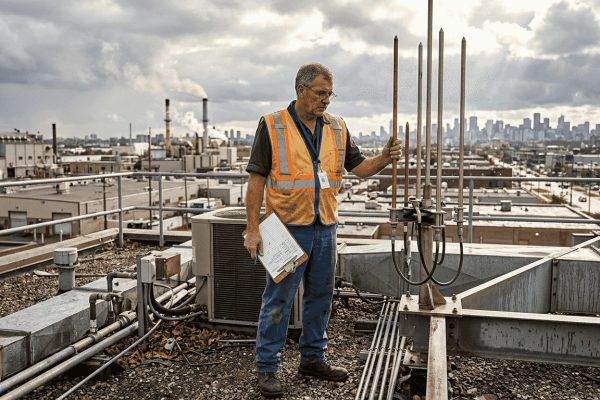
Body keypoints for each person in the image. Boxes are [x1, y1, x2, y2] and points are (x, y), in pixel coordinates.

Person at [244, 63, 401, 398]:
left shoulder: (337, 127)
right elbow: (256, 180)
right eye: (320, 93)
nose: (326, 100)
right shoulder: (273, 125)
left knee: (321, 297)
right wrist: (252, 229)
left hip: (325, 227)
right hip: (286, 230)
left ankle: (313, 358)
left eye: (329, 94)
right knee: (278, 301)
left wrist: (385, 158)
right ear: (301, 91)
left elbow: (359, 168)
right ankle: (267, 369)